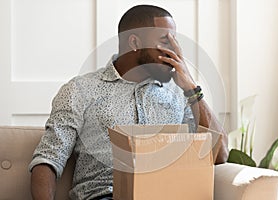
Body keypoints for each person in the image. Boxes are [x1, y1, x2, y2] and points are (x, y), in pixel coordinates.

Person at [29, 4, 228, 200]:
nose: (176, 52)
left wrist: (192, 89)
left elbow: (220, 156)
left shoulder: (181, 94)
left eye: (175, 42)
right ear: (135, 43)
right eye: (165, 41)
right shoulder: (80, 90)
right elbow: (48, 160)